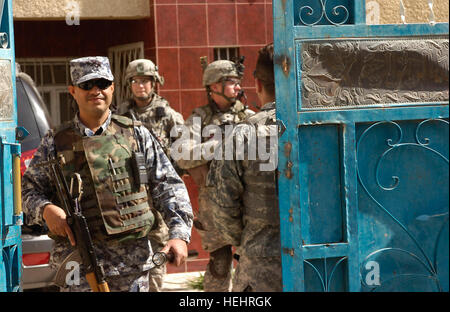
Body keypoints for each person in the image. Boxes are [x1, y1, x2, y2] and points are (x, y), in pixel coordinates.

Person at [21, 56, 193, 292]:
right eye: (86, 85)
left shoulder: (136, 135)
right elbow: (27, 191)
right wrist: (45, 210)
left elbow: (168, 186)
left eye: (102, 84)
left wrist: (179, 234)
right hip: (78, 267)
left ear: (112, 88)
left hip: (132, 265)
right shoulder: (55, 142)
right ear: (72, 90)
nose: (96, 91)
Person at [172, 58, 254, 292]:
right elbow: (182, 154)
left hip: (248, 204)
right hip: (214, 208)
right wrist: (219, 146)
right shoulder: (198, 119)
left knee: (250, 262)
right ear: (214, 87)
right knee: (220, 263)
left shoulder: (248, 116)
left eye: (239, 83)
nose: (238, 88)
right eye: (231, 82)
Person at [206, 44, 282, 292]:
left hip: (261, 265)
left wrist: (250, 240)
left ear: (257, 85)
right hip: (324, 262)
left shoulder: (245, 132)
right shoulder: (326, 127)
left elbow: (222, 205)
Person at [118, 58, 185, 291]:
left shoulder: (168, 116)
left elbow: (182, 159)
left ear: (155, 82)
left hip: (156, 200)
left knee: (156, 256)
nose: (140, 86)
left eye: (145, 81)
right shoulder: (120, 116)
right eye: (135, 81)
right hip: (128, 200)